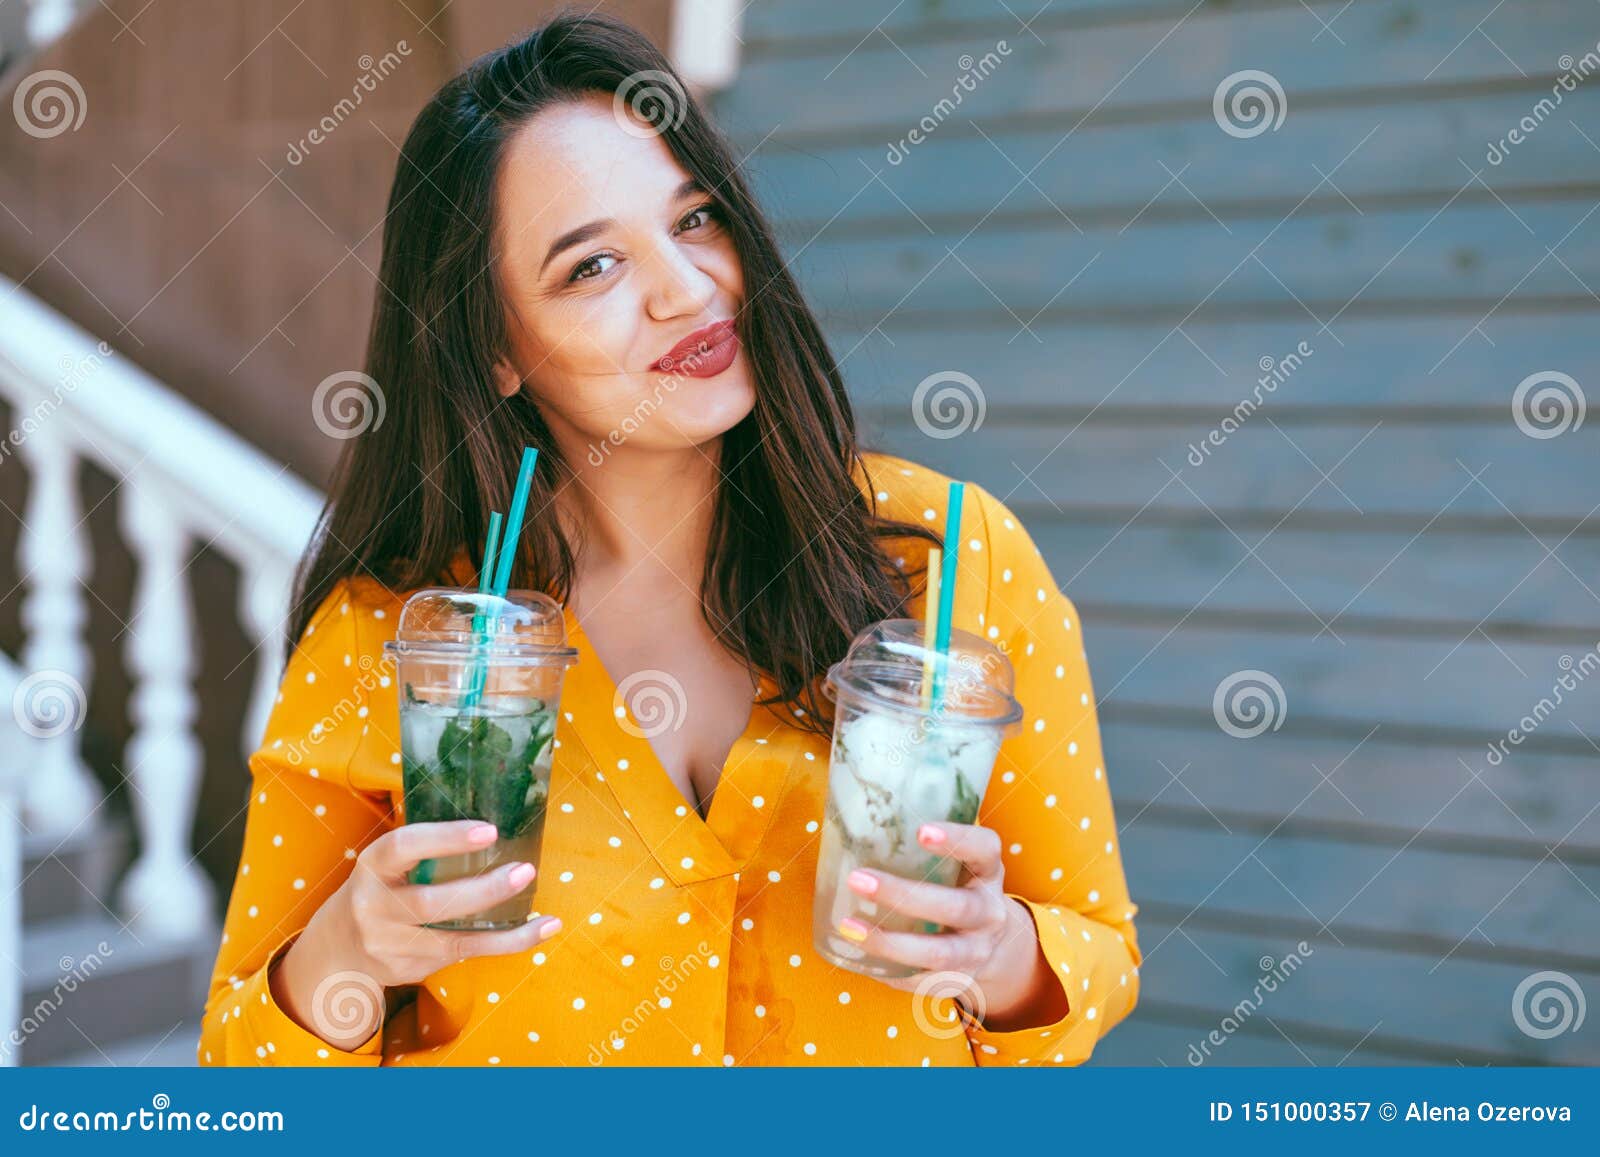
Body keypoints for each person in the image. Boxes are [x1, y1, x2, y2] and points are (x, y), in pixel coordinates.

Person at [198, 11, 1139, 1067]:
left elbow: (1098, 949)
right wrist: (349, 953)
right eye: (591, 266)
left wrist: (1000, 952)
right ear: (494, 348)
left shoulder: (952, 567)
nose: (686, 290)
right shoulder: (396, 643)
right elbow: (244, 1068)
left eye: (694, 220)